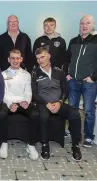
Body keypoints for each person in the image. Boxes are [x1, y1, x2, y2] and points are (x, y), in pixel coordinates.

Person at [32, 47, 82, 161]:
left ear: (49, 56)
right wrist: (46, 104)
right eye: (38, 58)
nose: (40, 60)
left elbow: (66, 90)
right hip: (43, 103)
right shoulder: (35, 72)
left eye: (42, 57)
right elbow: (34, 93)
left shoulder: (59, 71)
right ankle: (45, 145)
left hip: (58, 102)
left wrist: (60, 102)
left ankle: (75, 145)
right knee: (43, 116)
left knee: (75, 114)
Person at [0, 49, 39, 160]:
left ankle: (30, 145)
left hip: (23, 102)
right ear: (8, 59)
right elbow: (4, 93)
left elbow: (28, 91)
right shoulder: (3, 74)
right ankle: (3, 143)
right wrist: (11, 103)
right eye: (12, 58)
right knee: (2, 114)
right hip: (8, 102)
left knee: (35, 114)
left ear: (21, 59)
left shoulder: (26, 74)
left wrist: (26, 101)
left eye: (17, 58)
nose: (15, 61)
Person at [66, 15, 97, 147]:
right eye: (82, 23)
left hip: (89, 82)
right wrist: (67, 73)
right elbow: (67, 58)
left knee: (89, 111)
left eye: (87, 23)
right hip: (73, 81)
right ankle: (75, 134)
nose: (84, 26)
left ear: (93, 24)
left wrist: (93, 77)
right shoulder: (74, 40)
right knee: (72, 109)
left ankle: (89, 137)